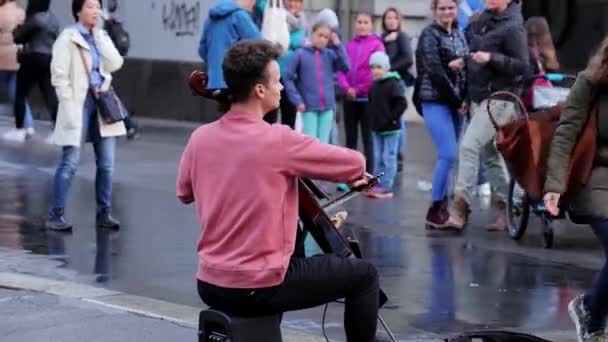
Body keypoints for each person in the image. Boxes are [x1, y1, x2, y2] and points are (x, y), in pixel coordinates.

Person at [177, 40, 380, 342]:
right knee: (364, 277)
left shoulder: (200, 138)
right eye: (277, 81)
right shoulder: (278, 140)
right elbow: (355, 162)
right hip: (258, 285)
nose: (282, 88)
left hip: (209, 281)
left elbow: (185, 192)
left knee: (288, 249)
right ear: (259, 90)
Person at [544, 37, 608, 342]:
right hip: (595, 175)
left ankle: (591, 310)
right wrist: (554, 186)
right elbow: (566, 133)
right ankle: (593, 317)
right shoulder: (591, 81)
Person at [446, 0, 529, 231]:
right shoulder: (483, 20)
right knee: (492, 154)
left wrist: (492, 59)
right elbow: (476, 56)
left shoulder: (514, 27)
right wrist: (464, 63)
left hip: (501, 99)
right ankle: (508, 208)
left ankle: (460, 208)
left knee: (468, 146)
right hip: (479, 98)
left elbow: (523, 66)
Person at [45, 0, 126, 231]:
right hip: (79, 104)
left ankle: (104, 213)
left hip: (101, 102)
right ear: (78, 10)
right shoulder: (67, 38)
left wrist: (100, 37)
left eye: (98, 7)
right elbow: (58, 75)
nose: (95, 11)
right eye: (90, 6)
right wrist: (68, 104)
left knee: (107, 164)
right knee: (70, 161)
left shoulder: (99, 36)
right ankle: (56, 214)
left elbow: (116, 63)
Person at [414, 0, 468, 228]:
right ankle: (434, 209)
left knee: (450, 157)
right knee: (448, 153)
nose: (447, 12)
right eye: (442, 8)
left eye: (450, 7)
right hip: (435, 100)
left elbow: (466, 66)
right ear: (434, 11)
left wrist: (464, 97)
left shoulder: (459, 33)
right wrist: (456, 100)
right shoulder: (429, 34)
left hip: (457, 103)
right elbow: (434, 71)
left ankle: (443, 207)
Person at [284, 22, 349, 143]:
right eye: (320, 35)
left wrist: (338, 45)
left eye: (326, 37)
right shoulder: (300, 54)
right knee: (311, 142)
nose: (323, 40)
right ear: (312, 34)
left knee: (324, 143)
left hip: (328, 107)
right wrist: (297, 100)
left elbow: (345, 66)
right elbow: (288, 78)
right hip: (309, 107)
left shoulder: (330, 54)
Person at [3, 0, 58, 143]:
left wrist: (17, 30)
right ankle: (58, 130)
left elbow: (18, 37)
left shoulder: (35, 19)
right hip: (49, 58)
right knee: (49, 94)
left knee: (20, 93)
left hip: (33, 58)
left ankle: (20, 129)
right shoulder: (53, 19)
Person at [337, 12, 385, 174]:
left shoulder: (377, 45)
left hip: (367, 99)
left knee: (368, 139)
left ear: (372, 25)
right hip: (349, 99)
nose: (362, 25)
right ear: (355, 24)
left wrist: (358, 90)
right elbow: (341, 69)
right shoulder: (349, 45)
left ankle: (368, 174)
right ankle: (349, 173)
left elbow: (375, 72)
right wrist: (346, 88)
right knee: (350, 138)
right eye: (359, 22)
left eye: (366, 22)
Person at [365, 51, 407, 199]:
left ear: (386, 68)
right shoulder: (374, 86)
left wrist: (392, 118)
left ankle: (387, 186)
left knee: (388, 157)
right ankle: (378, 183)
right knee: (378, 157)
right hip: (377, 128)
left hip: (391, 129)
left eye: (379, 67)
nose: (375, 70)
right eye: (373, 67)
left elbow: (402, 103)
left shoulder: (393, 84)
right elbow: (371, 104)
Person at [198, 0, 261, 90]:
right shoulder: (239, 15)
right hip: (235, 80)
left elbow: (202, 50)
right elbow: (259, 45)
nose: (254, 4)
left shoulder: (210, 17)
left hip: (214, 81)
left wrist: (215, 65)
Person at [381, 7, 414, 173]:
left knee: (397, 118)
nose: (391, 20)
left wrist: (389, 70)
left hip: (398, 81)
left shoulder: (402, 36)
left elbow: (408, 59)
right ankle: (388, 153)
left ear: (399, 20)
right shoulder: (382, 38)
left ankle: (398, 155)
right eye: (388, 18)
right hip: (384, 84)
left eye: (394, 17)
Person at [0, 0, 34, 139]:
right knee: (17, 91)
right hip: (19, 55)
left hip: (3, 55)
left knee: (13, 89)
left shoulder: (1, 12)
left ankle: (25, 125)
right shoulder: (21, 13)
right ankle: (29, 124)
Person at [272, 0, 308, 128]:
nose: (293, 4)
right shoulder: (276, 17)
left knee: (289, 117)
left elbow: (305, 45)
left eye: (297, 1)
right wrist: (296, 43)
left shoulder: (304, 23)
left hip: (293, 77)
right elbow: (276, 41)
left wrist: (289, 42)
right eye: (290, 0)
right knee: (270, 115)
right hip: (275, 74)